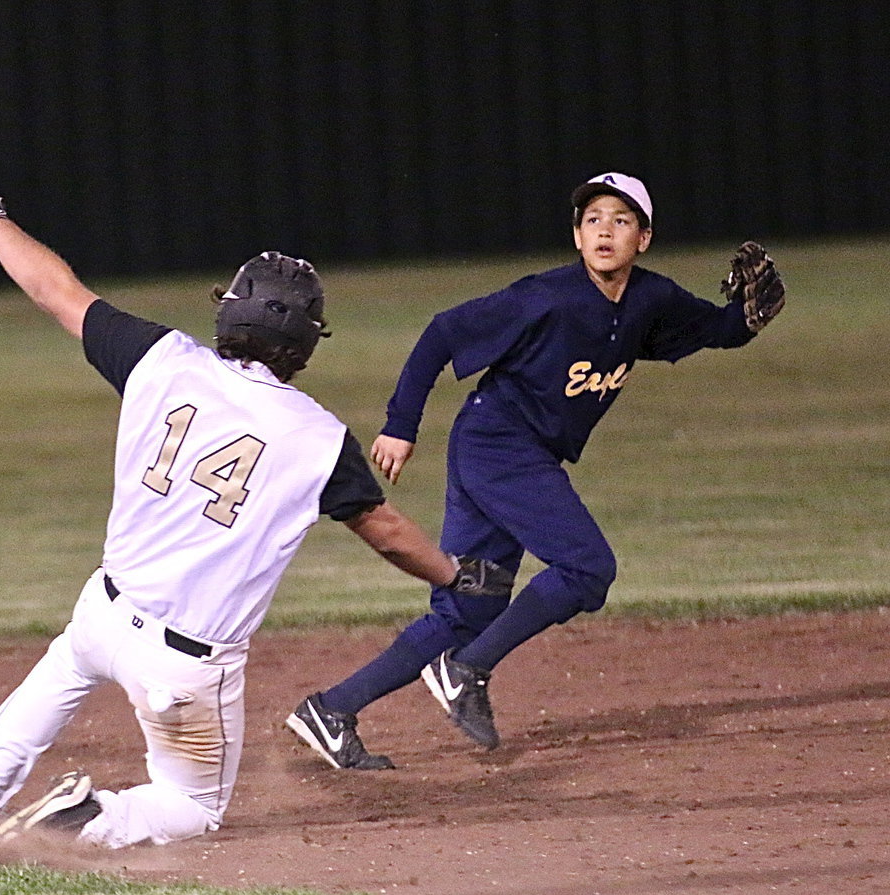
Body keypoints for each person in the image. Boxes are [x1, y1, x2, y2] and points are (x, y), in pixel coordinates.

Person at [0, 189, 504, 847]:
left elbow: (53, 289)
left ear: (228, 311)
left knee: (63, 672)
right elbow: (389, 534)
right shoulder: (319, 438)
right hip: (185, 666)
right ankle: (87, 820)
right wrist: (453, 574)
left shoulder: (158, 357)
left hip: (106, 609)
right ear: (306, 342)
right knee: (193, 805)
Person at [286, 172, 786, 767]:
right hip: (497, 446)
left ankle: (331, 709)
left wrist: (748, 317)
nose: (605, 230)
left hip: (511, 453)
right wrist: (400, 424)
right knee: (587, 567)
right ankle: (466, 669)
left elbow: (716, 330)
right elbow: (444, 332)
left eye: (621, 220)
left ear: (644, 238)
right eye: (593, 220)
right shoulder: (546, 296)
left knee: (472, 604)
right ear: (577, 236)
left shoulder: (651, 299)